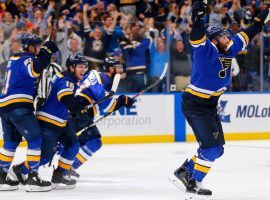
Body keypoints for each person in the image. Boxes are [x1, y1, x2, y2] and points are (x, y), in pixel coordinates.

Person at [172, 0, 270, 197]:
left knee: (218, 150)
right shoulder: (204, 49)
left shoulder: (230, 47)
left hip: (209, 105)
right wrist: (199, 16)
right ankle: (193, 182)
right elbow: (198, 33)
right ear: (214, 40)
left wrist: (263, 18)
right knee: (211, 149)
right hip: (195, 104)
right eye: (224, 35)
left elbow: (251, 31)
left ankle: (185, 171)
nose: (228, 37)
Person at [9, 55, 88, 190]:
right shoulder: (67, 80)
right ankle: (20, 169)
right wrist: (77, 109)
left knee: (73, 143)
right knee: (45, 157)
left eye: (85, 67)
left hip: (60, 121)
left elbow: (65, 100)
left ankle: (59, 174)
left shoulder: (67, 78)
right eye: (80, 66)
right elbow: (65, 97)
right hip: (49, 121)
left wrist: (75, 110)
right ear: (71, 67)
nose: (84, 70)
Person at [0, 33, 58, 191]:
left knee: (10, 142)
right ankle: (32, 177)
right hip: (18, 106)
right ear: (30, 47)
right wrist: (47, 52)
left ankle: (1, 175)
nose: (39, 49)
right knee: (36, 139)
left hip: (5, 106)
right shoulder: (27, 58)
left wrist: (43, 54)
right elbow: (35, 70)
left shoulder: (14, 58)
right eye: (38, 46)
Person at [67, 57, 135, 179]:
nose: (120, 70)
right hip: (81, 111)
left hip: (77, 110)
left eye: (121, 67)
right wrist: (122, 101)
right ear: (110, 68)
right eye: (117, 67)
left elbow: (104, 101)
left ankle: (60, 168)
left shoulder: (97, 74)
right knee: (94, 142)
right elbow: (107, 105)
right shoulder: (104, 79)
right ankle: (67, 169)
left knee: (71, 143)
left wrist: (120, 101)